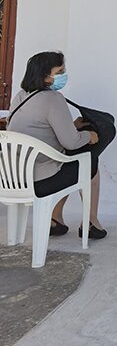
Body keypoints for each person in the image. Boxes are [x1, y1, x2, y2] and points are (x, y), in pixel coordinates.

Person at [7, 51, 107, 240]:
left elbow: (38, 127)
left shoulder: (20, 96)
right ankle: (91, 222)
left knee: (68, 161)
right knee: (88, 160)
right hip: (40, 181)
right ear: (45, 75)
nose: (64, 74)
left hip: (16, 178)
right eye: (60, 71)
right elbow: (71, 141)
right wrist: (89, 135)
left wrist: (71, 126)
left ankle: (56, 220)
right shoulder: (53, 98)